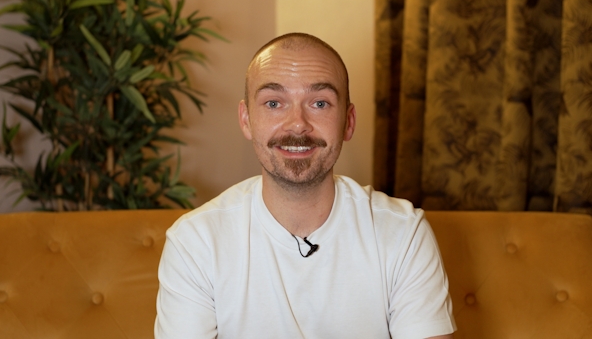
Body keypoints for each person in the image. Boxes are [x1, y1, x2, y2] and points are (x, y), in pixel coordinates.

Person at [155, 32, 456, 339]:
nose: (297, 123)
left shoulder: (404, 234)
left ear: (348, 122)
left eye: (319, 103)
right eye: (274, 103)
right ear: (246, 120)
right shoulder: (195, 241)